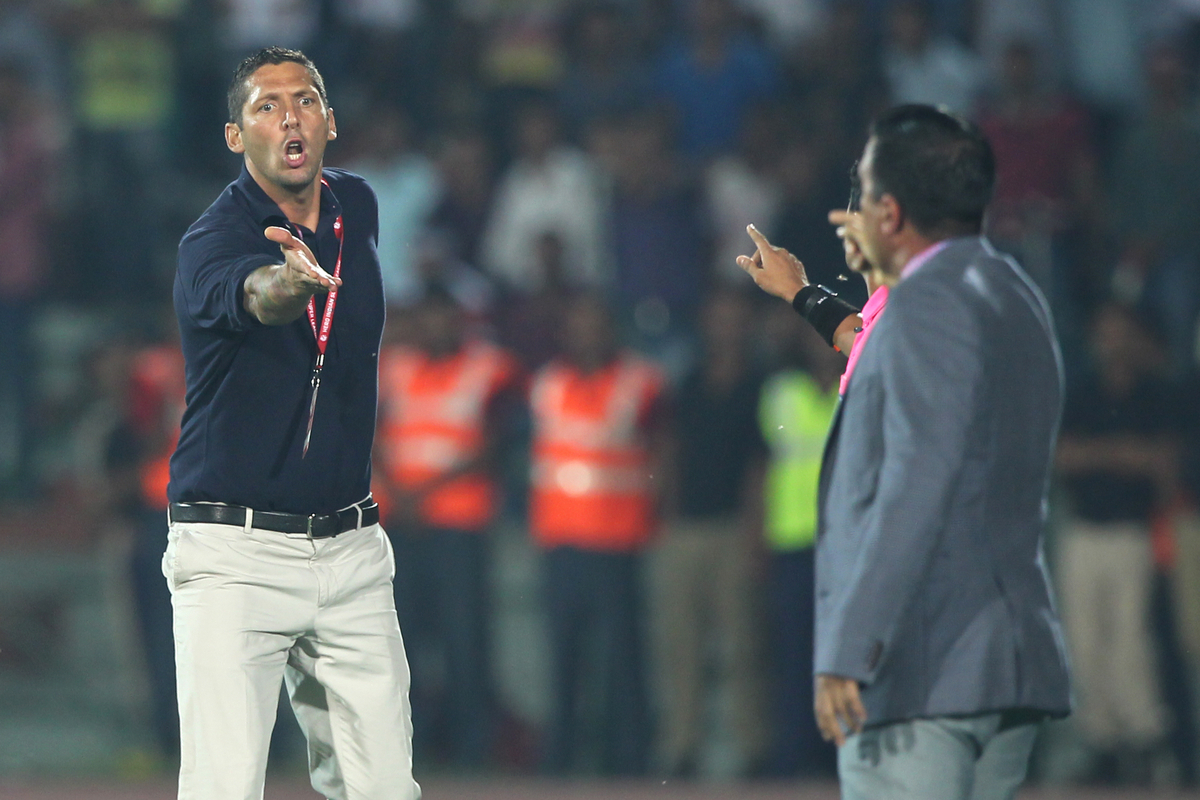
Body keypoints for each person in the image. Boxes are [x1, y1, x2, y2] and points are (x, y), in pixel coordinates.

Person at [739, 104, 1071, 800]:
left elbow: (917, 483)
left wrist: (850, 649)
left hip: (920, 662)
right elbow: (874, 346)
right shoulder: (1010, 295)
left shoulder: (921, 316)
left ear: (891, 214)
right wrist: (803, 295)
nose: (844, 215)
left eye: (858, 194)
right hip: (1002, 663)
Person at [166, 47, 419, 800]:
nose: (289, 117)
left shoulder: (358, 206)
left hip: (352, 551)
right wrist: (285, 283)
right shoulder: (210, 241)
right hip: (234, 553)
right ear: (236, 137)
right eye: (266, 106)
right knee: (225, 788)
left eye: (305, 100)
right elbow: (254, 296)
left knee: (384, 791)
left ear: (330, 122)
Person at [374, 289, 522, 769]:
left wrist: (424, 491)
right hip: (401, 524)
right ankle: (407, 750)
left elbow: (496, 445)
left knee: (465, 640)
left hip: (459, 523)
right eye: (427, 319)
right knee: (402, 640)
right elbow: (371, 435)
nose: (436, 328)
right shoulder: (393, 367)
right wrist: (399, 491)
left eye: (445, 319)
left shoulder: (488, 368)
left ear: (461, 322)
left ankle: (471, 749)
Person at [528, 294, 668, 776]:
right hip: (561, 540)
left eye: (595, 323)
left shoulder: (640, 381)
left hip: (617, 541)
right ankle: (560, 763)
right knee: (563, 662)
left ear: (612, 329)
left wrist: (658, 516)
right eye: (577, 324)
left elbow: (666, 452)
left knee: (623, 663)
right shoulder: (547, 383)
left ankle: (630, 762)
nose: (586, 333)